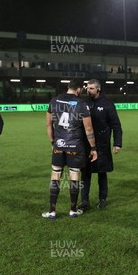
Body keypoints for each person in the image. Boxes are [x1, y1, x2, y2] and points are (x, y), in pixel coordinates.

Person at [43, 80, 97, 219]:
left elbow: (49, 125)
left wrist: (52, 142)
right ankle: (73, 210)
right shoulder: (82, 104)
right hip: (75, 146)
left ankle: (52, 211)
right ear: (78, 89)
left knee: (55, 175)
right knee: (74, 175)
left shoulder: (53, 101)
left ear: (68, 87)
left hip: (59, 145)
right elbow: (88, 128)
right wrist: (93, 148)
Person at [80, 79, 123, 210]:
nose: (88, 90)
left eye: (91, 88)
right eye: (87, 88)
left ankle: (102, 199)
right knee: (85, 174)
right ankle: (84, 201)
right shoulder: (84, 102)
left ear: (98, 89)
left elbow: (116, 125)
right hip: (86, 144)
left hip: (102, 145)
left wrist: (117, 143)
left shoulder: (108, 104)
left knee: (101, 173)